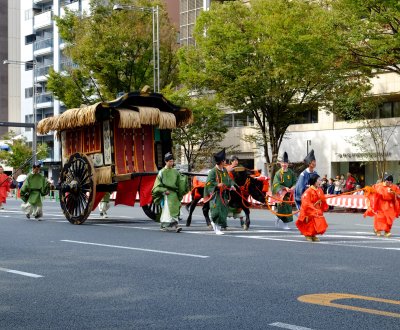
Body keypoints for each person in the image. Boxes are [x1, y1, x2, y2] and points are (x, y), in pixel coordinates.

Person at [152, 152, 188, 233]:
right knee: (168, 210)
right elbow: (157, 185)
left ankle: (172, 225)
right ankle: (175, 226)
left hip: (174, 194)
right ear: (166, 162)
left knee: (174, 209)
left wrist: (185, 179)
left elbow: (180, 182)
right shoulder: (161, 172)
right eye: (170, 161)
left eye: (172, 161)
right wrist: (164, 190)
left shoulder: (175, 172)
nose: (171, 163)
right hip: (166, 194)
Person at [204, 148, 235, 235]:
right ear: (221, 161)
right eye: (225, 160)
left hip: (224, 194)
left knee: (223, 210)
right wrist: (217, 185)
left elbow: (228, 179)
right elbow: (209, 183)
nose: (226, 161)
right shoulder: (213, 171)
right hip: (216, 194)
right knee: (217, 210)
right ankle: (216, 227)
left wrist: (232, 186)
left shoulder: (224, 170)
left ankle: (218, 227)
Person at [296, 173, 329, 242]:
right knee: (310, 222)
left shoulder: (320, 190)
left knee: (317, 222)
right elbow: (306, 202)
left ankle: (313, 234)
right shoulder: (308, 191)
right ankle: (308, 234)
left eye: (320, 180)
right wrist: (313, 208)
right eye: (319, 180)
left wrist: (324, 206)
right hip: (309, 209)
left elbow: (323, 199)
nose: (320, 181)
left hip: (317, 209)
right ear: (314, 181)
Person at [272, 151, 297, 230]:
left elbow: (295, 182)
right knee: (283, 208)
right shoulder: (278, 173)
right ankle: (285, 224)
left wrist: (293, 187)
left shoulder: (291, 172)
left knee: (288, 209)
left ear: (288, 164)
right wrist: (284, 188)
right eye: (283, 163)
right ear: (280, 164)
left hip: (289, 193)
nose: (284, 165)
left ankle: (277, 217)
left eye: (285, 163)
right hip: (281, 194)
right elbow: (276, 184)